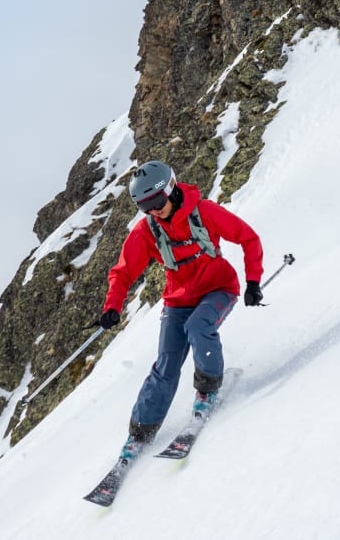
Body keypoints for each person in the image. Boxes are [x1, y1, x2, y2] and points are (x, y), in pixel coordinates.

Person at [99, 159, 264, 464]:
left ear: (171, 188)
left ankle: (207, 390)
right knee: (166, 365)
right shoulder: (147, 229)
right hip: (177, 299)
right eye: (144, 206)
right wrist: (112, 306)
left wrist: (253, 280)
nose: (153, 210)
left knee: (199, 325)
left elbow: (248, 237)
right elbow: (122, 273)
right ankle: (140, 433)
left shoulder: (205, 212)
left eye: (157, 201)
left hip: (219, 288)